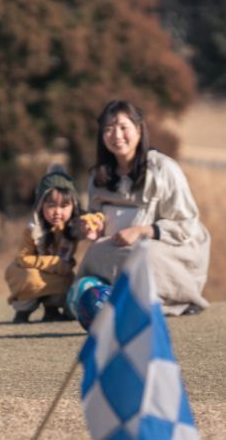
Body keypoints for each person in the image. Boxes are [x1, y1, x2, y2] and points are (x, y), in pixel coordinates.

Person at [70, 99, 210, 323]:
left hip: (169, 247)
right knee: (97, 250)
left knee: (143, 255)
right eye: (108, 128)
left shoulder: (163, 169)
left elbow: (187, 224)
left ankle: (174, 300)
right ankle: (100, 301)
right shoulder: (99, 176)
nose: (116, 135)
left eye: (123, 127)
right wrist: (92, 229)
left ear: (139, 129)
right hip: (117, 247)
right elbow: (95, 218)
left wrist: (141, 231)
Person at [5, 164, 103, 323]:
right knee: (30, 277)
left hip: (59, 275)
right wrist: (55, 263)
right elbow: (23, 258)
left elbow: (88, 227)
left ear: (74, 206)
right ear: (40, 206)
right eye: (51, 205)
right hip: (30, 273)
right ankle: (23, 311)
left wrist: (94, 223)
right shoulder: (33, 230)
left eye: (64, 206)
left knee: (69, 279)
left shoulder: (73, 227)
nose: (58, 212)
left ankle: (52, 309)